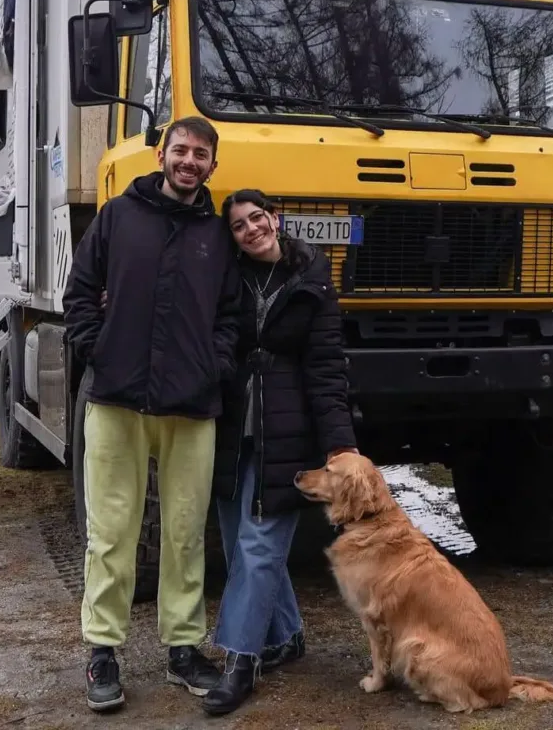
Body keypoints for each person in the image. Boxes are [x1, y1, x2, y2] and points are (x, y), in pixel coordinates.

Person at [62, 116, 241, 713]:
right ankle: (103, 652)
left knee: (187, 532)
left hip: (191, 404)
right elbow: (80, 291)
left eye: (201, 155)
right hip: (116, 398)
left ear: (213, 166)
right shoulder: (117, 218)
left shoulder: (218, 236)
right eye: (181, 150)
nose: (190, 161)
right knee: (111, 533)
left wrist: (212, 365)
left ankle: (184, 649)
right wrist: (97, 346)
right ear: (162, 153)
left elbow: (231, 317)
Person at [202, 189, 358, 716]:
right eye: (239, 225)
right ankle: (287, 635)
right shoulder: (229, 278)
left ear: (276, 218)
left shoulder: (312, 279)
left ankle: (239, 660)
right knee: (237, 539)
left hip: (289, 432)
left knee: (261, 546)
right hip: (229, 428)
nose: (251, 229)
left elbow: (327, 369)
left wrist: (339, 444)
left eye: (257, 218)